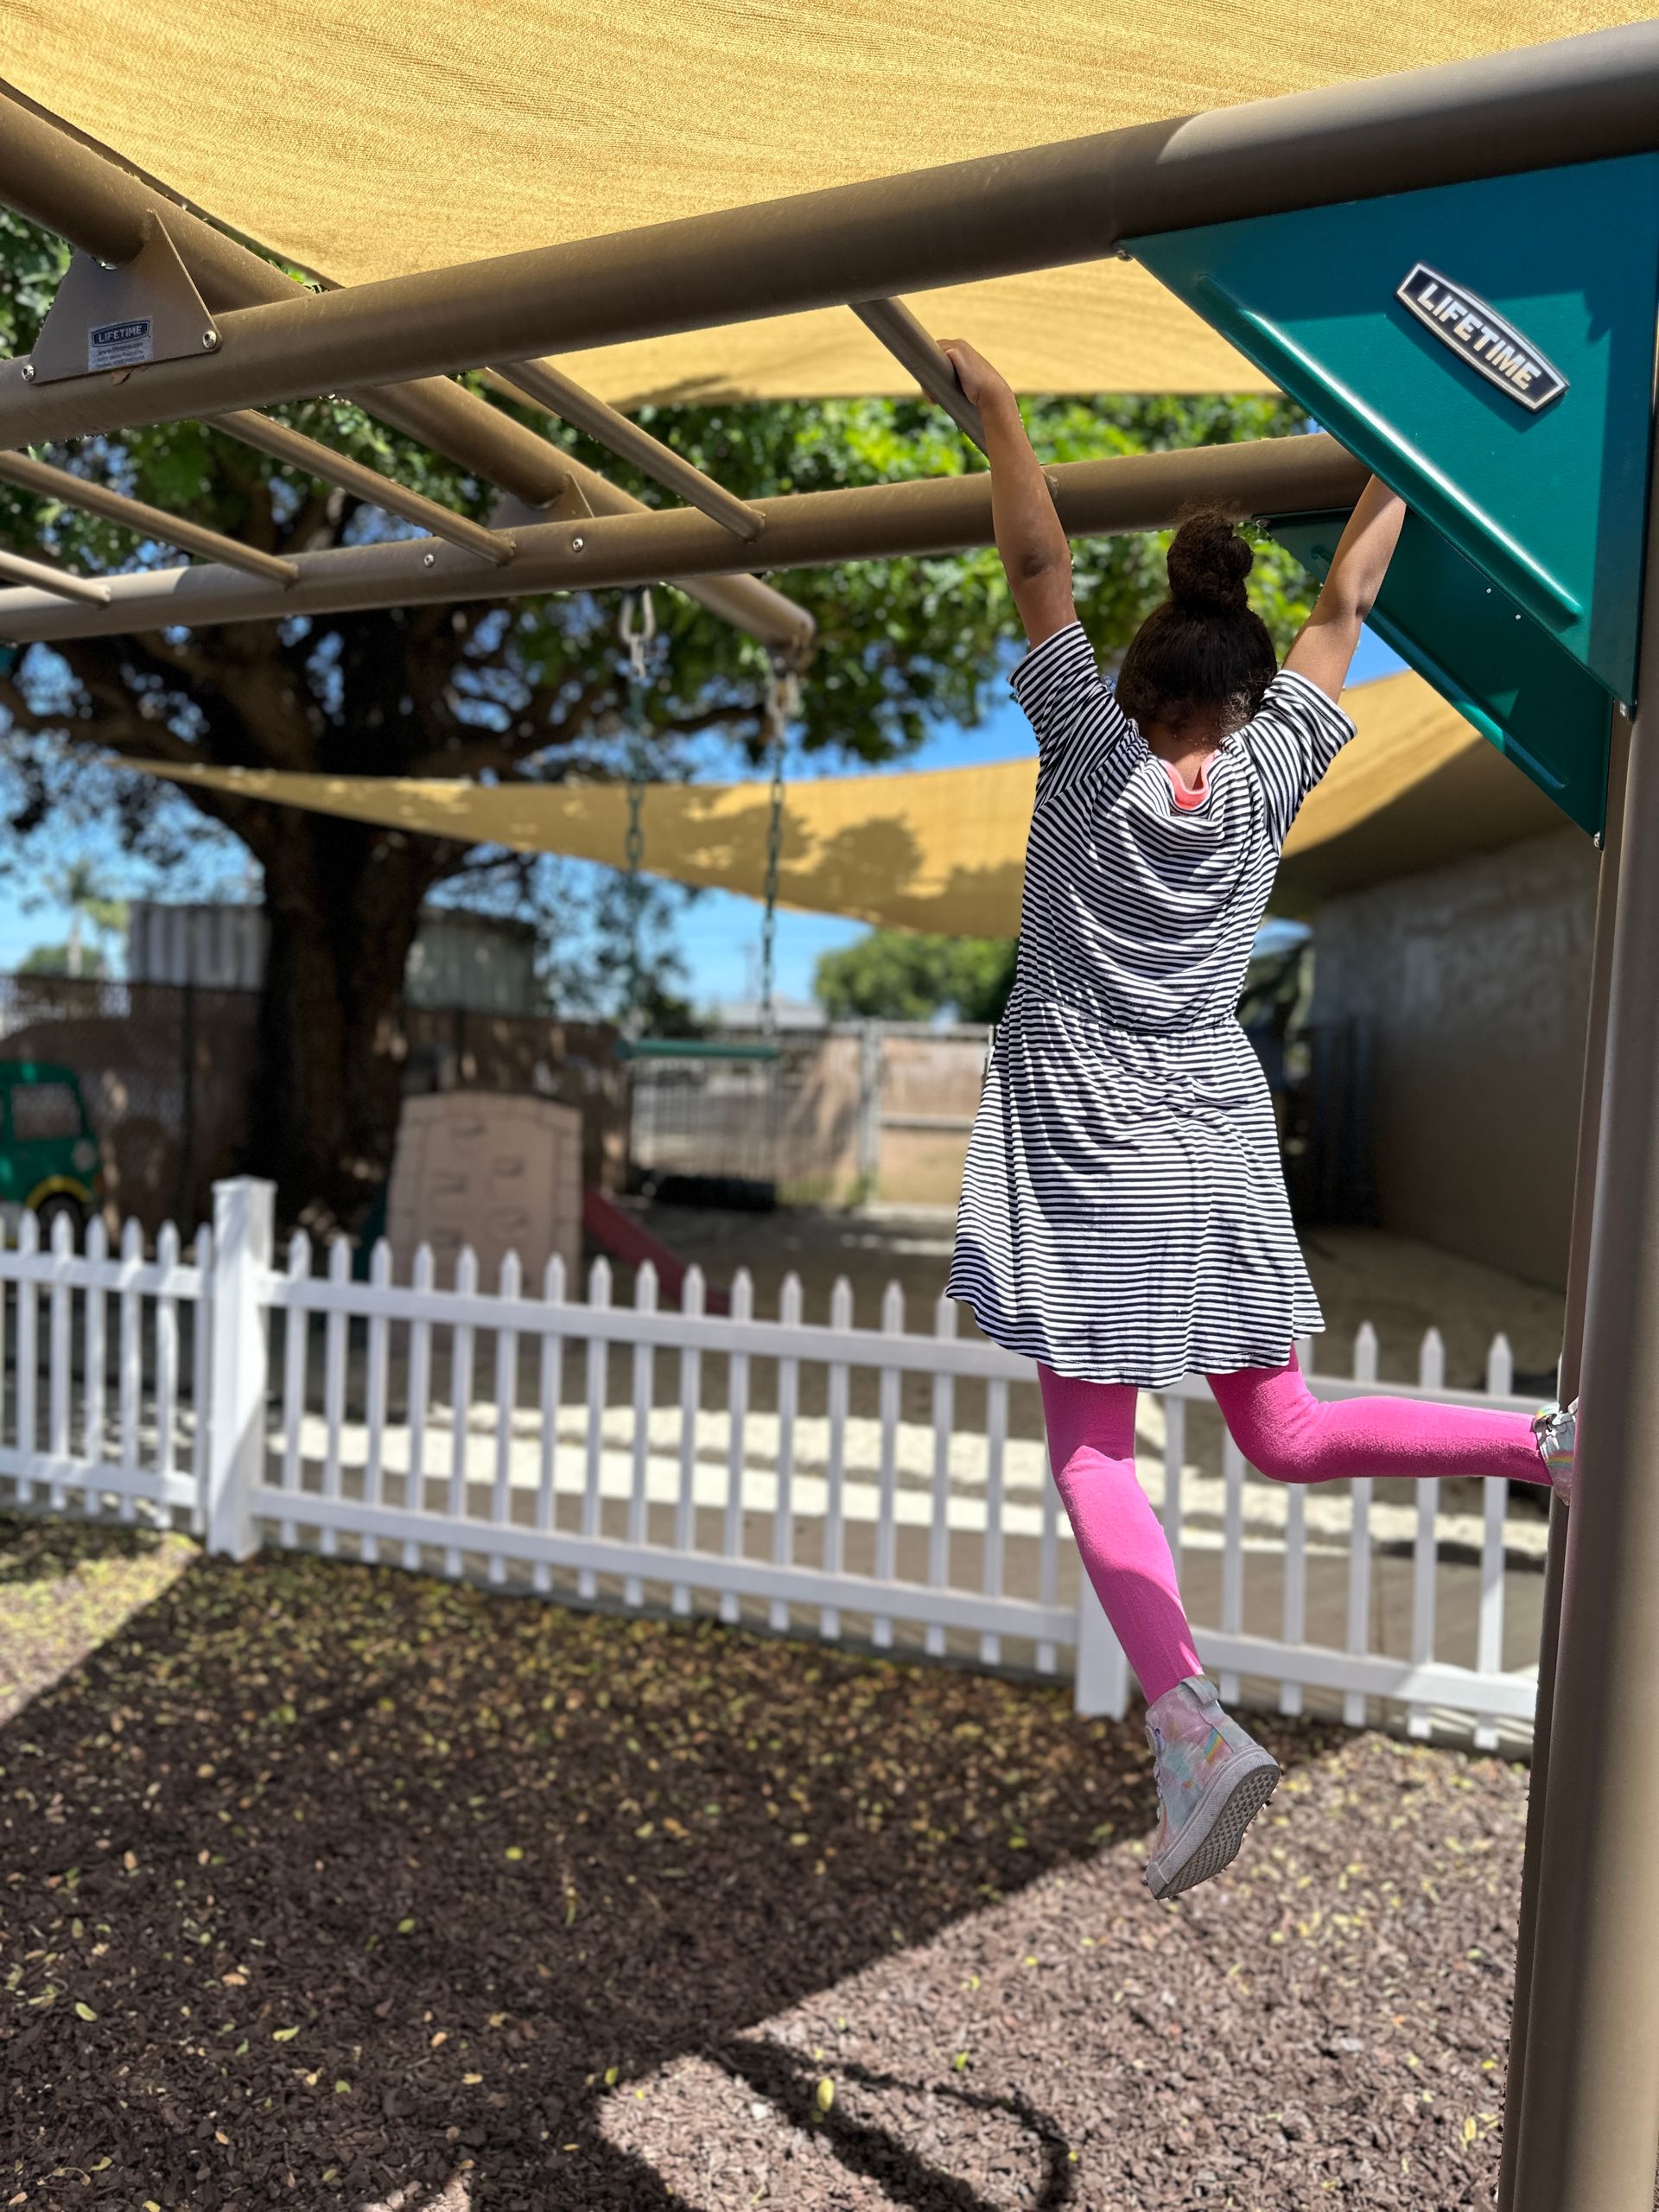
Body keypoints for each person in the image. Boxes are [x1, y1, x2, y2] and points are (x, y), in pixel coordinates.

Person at [938, 339, 1577, 1904]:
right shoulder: (1278, 767)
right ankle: (1550, 1443)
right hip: (1212, 1132)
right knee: (1277, 1432)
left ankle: (1189, 1722)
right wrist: (1406, 457)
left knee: (1096, 1454)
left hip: (1090, 1128)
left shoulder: (1087, 756)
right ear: (1236, 700)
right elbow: (1343, 606)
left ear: (1136, 693)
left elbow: (1035, 558)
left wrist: (1003, 411)